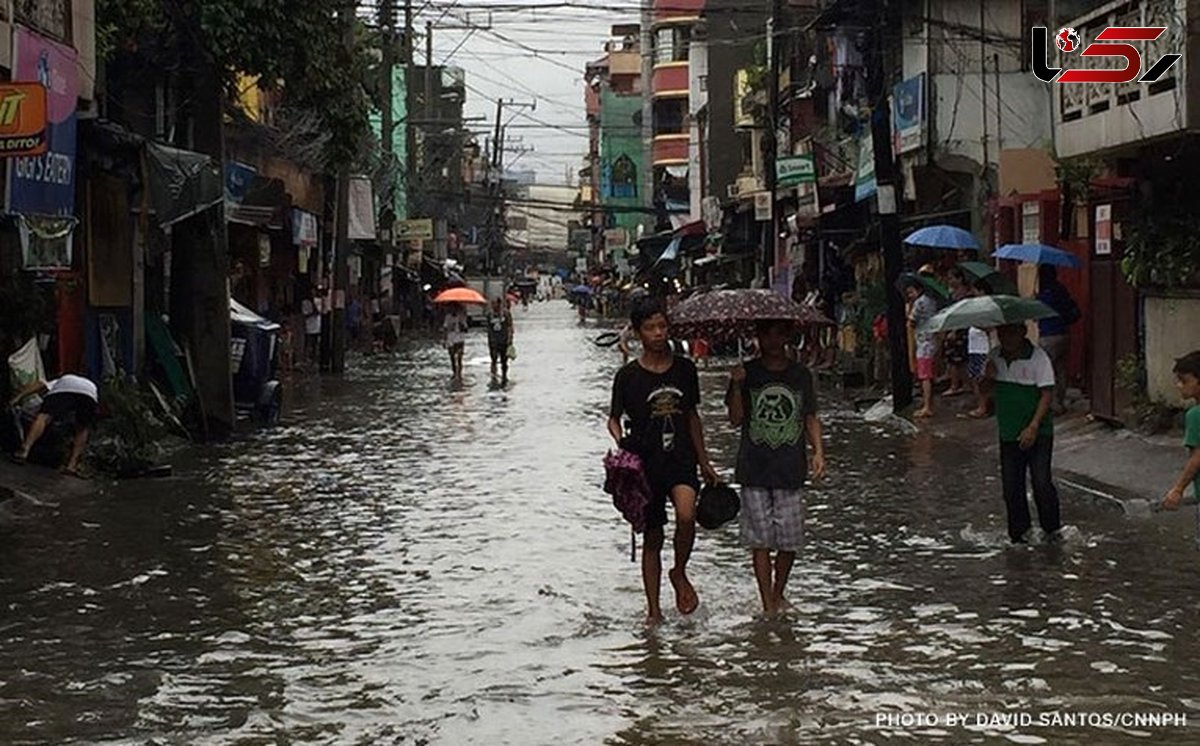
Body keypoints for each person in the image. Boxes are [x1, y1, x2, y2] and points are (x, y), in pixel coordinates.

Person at [608, 296, 720, 624]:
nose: (658, 333)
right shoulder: (627, 376)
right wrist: (620, 444)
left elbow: (693, 417)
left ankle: (680, 572)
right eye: (650, 328)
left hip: (681, 459)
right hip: (644, 465)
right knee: (653, 538)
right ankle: (654, 611)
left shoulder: (685, 368)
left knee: (687, 515)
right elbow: (613, 418)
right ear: (639, 332)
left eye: (662, 326)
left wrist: (705, 461)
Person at [727, 319, 826, 616]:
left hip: (790, 467)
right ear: (757, 337)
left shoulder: (800, 375)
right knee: (760, 541)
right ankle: (768, 603)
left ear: (786, 336)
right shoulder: (748, 373)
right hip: (754, 467)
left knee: (789, 540)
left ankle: (778, 591)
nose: (771, 340)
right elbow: (734, 419)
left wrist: (818, 451)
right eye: (765, 333)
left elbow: (809, 416)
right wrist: (736, 384)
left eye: (777, 333)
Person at [982, 323, 1061, 543]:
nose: (1007, 338)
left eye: (1012, 333)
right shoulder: (994, 356)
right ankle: (1019, 535)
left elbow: (1046, 394)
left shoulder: (1038, 357)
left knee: (1042, 483)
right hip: (1008, 433)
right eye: (1002, 334)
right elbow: (984, 393)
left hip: (1039, 432)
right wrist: (987, 377)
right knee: (1011, 488)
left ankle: (1052, 530)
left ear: (1023, 333)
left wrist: (1034, 426)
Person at [9, 373, 99, 477]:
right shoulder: (88, 382)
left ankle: (24, 450)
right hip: (91, 392)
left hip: (66, 386)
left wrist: (18, 397)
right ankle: (71, 465)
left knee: (43, 417)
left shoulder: (60, 380)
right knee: (82, 428)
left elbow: (41, 383)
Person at [1036, 265, 1080, 415]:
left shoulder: (1043, 295)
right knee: (1061, 370)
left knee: (1046, 371)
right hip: (1063, 333)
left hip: (1048, 335)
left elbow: (1037, 316)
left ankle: (1050, 404)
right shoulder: (1060, 289)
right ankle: (1059, 402)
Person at [1162, 351, 1200, 513]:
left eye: (1184, 381)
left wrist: (1178, 489)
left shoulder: (1195, 415)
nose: (1179, 385)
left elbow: (1197, 457)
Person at [905, 279, 939, 418]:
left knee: (924, 376)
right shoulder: (932, 301)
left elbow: (912, 321)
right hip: (932, 339)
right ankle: (928, 403)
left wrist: (909, 313)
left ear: (918, 290)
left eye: (911, 292)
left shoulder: (919, 303)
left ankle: (927, 406)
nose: (910, 295)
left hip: (924, 342)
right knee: (929, 374)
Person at [943, 268, 971, 398]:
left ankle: (956, 385)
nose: (950, 281)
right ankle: (963, 383)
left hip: (959, 330)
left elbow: (962, 315)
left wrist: (955, 330)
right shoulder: (952, 293)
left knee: (956, 359)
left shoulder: (964, 295)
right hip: (952, 328)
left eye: (952, 278)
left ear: (959, 279)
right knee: (957, 359)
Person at [965, 282, 992, 419]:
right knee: (974, 379)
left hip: (982, 349)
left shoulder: (987, 308)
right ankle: (981, 405)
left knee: (981, 380)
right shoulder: (978, 308)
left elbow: (990, 329)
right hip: (974, 349)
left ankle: (983, 407)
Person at [486, 296, 514, 385]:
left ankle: (504, 376)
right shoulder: (489, 315)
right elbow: (488, 328)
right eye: (492, 303)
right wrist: (490, 339)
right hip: (493, 341)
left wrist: (510, 339)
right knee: (493, 359)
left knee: (504, 361)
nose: (493, 305)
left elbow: (510, 326)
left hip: (504, 340)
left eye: (494, 303)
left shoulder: (506, 314)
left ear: (499, 304)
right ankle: (493, 377)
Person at [443, 302, 468, 382]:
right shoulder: (448, 317)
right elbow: (445, 328)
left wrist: (462, 324)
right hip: (451, 339)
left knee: (460, 357)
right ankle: (454, 372)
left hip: (460, 338)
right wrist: (444, 340)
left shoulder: (461, 316)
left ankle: (459, 374)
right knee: (452, 357)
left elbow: (466, 329)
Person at [301, 291, 322, 367]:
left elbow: (319, 312)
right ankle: (306, 359)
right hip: (309, 327)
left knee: (315, 344)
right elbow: (305, 315)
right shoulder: (305, 302)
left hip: (317, 326)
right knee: (308, 343)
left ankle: (314, 360)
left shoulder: (319, 301)